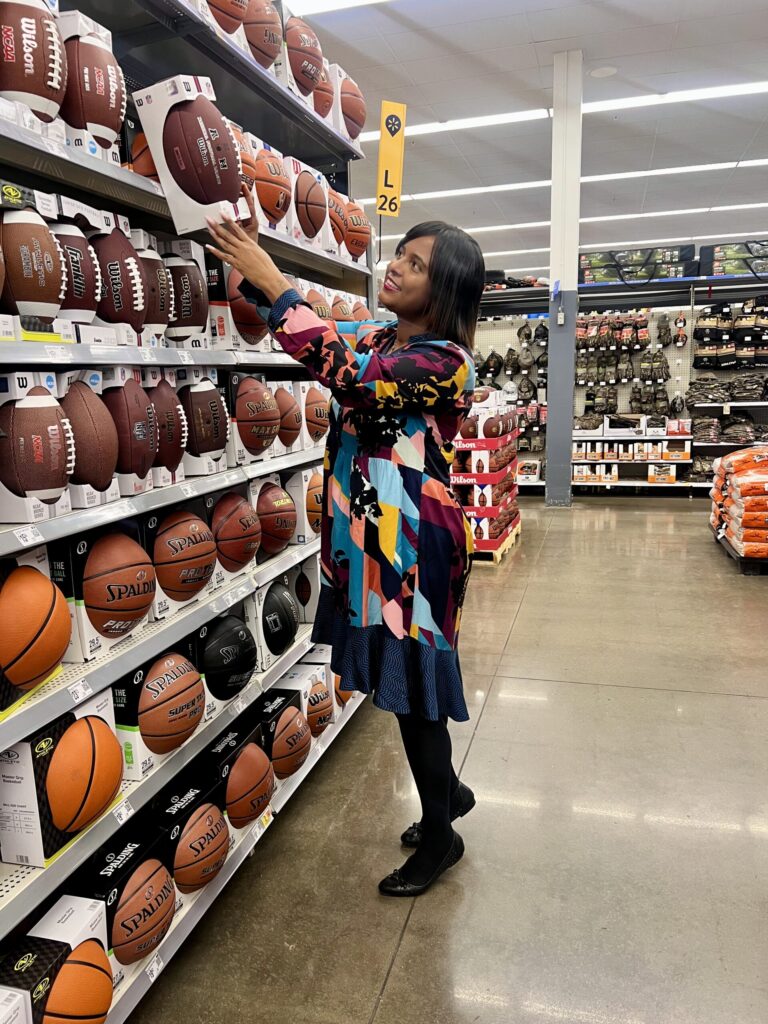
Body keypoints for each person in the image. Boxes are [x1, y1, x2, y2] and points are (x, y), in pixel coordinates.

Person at [207, 188, 485, 897]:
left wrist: (274, 281)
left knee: (417, 696)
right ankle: (445, 795)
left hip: (414, 552)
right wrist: (241, 261)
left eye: (415, 264)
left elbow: (350, 377)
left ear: (444, 290)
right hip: (370, 539)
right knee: (401, 688)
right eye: (400, 253)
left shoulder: (444, 361)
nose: (394, 267)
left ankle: (442, 838)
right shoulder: (380, 337)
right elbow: (312, 340)